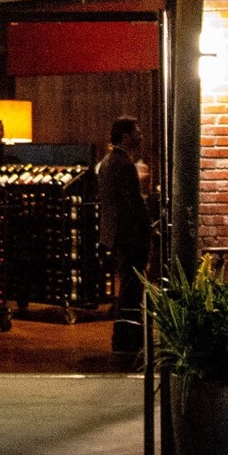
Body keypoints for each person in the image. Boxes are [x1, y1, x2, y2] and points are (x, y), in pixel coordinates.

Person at [97, 117, 151, 358]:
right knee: (132, 287)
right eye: (136, 132)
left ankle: (121, 339)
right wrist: (149, 226)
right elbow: (132, 203)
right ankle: (128, 340)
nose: (140, 136)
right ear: (125, 135)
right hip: (130, 235)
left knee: (127, 286)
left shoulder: (108, 162)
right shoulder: (123, 164)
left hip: (116, 234)